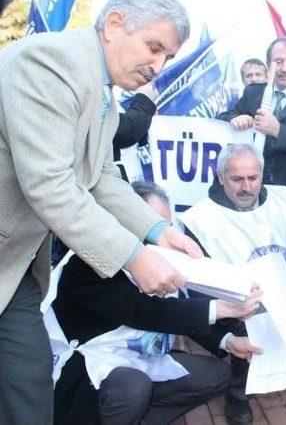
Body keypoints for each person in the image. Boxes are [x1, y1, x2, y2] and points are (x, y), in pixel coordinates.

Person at [0, 0, 203, 423]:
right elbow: (51, 186)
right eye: (154, 46)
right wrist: (134, 257)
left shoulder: (102, 90)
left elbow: (101, 178)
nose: (158, 64)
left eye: (167, 56)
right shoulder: (51, 64)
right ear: (114, 24)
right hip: (10, 252)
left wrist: (158, 231)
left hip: (14, 265)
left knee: (29, 380)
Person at [52, 182, 262, 425]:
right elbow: (144, 311)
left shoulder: (162, 258)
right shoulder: (87, 265)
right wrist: (224, 307)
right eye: (151, 229)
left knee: (215, 375)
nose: (161, 238)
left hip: (142, 359)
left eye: (165, 227)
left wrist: (228, 341)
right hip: (90, 372)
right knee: (133, 387)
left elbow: (182, 306)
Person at [179, 143, 286, 420]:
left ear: (262, 174)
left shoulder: (281, 201)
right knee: (249, 329)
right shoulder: (200, 219)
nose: (246, 187)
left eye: (253, 177)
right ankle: (238, 393)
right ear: (220, 177)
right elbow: (199, 288)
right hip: (239, 306)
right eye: (237, 179)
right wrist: (229, 323)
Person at [217, 36, 286, 241]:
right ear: (269, 65)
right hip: (256, 194)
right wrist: (236, 118)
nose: (284, 68)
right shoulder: (253, 93)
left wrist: (278, 130)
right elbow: (221, 120)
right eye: (278, 61)